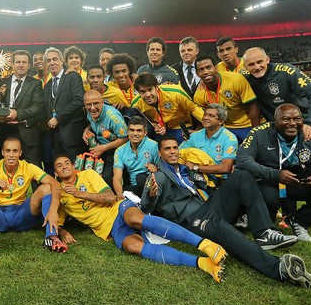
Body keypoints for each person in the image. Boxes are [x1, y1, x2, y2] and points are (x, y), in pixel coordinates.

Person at [140, 136, 311, 287]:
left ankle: (264, 232)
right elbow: (146, 207)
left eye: (175, 148)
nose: (172, 152)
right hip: (192, 220)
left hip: (209, 205)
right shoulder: (158, 176)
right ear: (160, 153)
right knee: (223, 229)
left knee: (241, 175)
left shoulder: (186, 169)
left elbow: (205, 185)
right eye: (167, 149)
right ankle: (277, 268)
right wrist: (151, 195)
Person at [53, 155, 226, 283]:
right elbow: (56, 220)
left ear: (73, 165)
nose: (64, 166)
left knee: (135, 219)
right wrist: (62, 230)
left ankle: (206, 245)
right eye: (59, 165)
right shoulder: (58, 195)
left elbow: (110, 197)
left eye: (67, 163)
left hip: (119, 208)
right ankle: (203, 263)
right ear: (55, 173)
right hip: (109, 228)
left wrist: (80, 193)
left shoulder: (88, 174)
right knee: (132, 246)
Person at [236, 103, 311, 241]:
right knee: (267, 199)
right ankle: (257, 217)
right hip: (270, 182)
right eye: (286, 119)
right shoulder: (259, 133)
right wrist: (274, 174)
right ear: (275, 120)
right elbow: (242, 160)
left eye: (297, 119)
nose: (292, 123)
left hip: (299, 183)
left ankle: (299, 221)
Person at [0, 137, 67, 252]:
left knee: (46, 187)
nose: (11, 155)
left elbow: (55, 184)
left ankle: (52, 237)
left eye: (15, 151)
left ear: (20, 153)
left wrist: (53, 211)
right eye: (8, 151)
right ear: (3, 152)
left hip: (21, 214)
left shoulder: (28, 168)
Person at [242, 47, 311, 139]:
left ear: (267, 59)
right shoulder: (245, 81)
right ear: (245, 67)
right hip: (278, 132)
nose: (257, 67)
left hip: (303, 127)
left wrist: (310, 122)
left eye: (260, 62)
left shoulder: (287, 72)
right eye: (251, 64)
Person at [193, 55, 260, 142]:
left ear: (216, 68)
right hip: (223, 129)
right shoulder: (199, 95)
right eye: (201, 70)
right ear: (197, 74)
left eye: (208, 67)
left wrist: (256, 132)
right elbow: (205, 119)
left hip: (246, 125)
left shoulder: (235, 79)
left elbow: (253, 106)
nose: (206, 72)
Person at [0, 50, 46, 167]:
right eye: (18, 62)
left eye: (24, 62)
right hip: (6, 132)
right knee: (5, 172)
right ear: (12, 64)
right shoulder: (2, 82)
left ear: (29, 65)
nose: (21, 65)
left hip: (28, 133)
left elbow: (38, 106)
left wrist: (17, 114)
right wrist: (0, 98)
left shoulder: (36, 83)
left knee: (35, 173)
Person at [134, 73, 204, 144]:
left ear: (156, 87)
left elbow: (193, 108)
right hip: (159, 132)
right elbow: (138, 122)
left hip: (180, 127)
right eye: (143, 92)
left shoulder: (175, 92)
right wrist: (154, 125)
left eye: (150, 90)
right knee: (152, 148)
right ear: (138, 92)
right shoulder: (136, 104)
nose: (147, 95)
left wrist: (208, 125)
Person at [43, 47, 87, 160]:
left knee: (77, 173)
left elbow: (79, 100)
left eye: (55, 59)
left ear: (62, 60)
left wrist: (58, 118)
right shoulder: (47, 86)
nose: (52, 63)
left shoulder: (72, 76)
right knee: (59, 174)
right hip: (55, 138)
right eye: (48, 61)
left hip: (72, 135)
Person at [179, 103, 238, 180]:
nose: (205, 118)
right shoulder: (194, 136)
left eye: (211, 116)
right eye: (205, 114)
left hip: (221, 182)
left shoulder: (229, 139)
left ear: (220, 121)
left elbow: (226, 168)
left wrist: (195, 167)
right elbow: (178, 153)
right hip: (197, 178)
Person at [82, 90, 128, 186]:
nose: (92, 108)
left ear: (102, 102)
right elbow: (92, 122)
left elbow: (126, 139)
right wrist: (86, 130)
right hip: (100, 147)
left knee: (107, 178)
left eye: (96, 103)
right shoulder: (89, 112)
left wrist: (103, 148)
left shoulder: (113, 117)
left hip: (116, 150)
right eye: (88, 105)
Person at [112, 117, 160, 198]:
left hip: (152, 184)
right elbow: (117, 178)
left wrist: (155, 168)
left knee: (141, 178)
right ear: (127, 131)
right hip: (134, 188)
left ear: (145, 133)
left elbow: (163, 169)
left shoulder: (154, 146)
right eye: (132, 130)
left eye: (139, 130)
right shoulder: (120, 151)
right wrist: (120, 195)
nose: (135, 133)